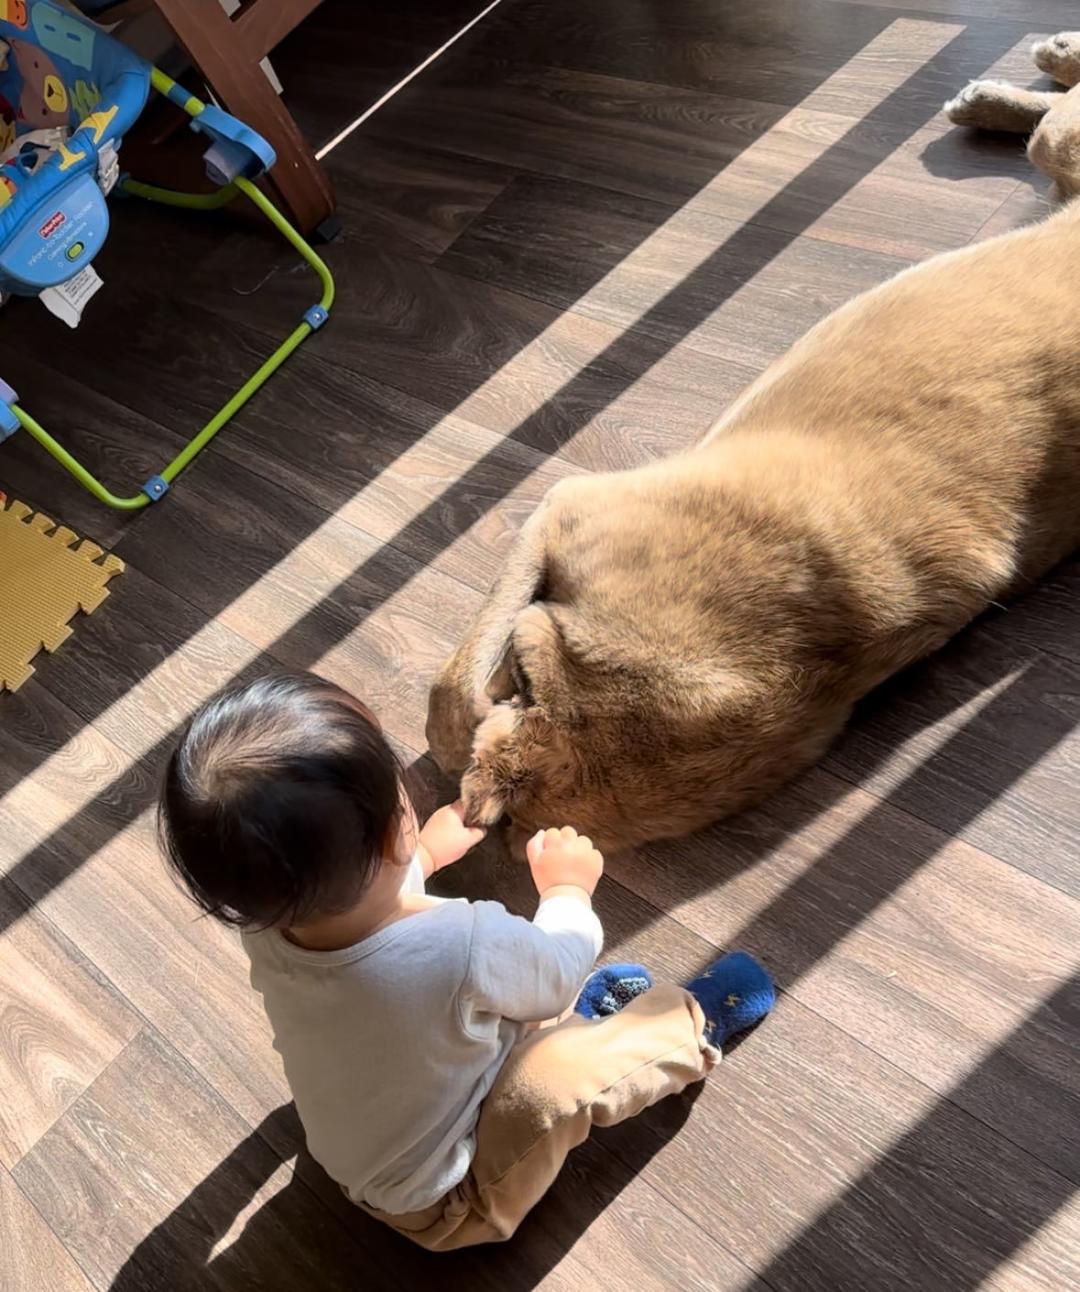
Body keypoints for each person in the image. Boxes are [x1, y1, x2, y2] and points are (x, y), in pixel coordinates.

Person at [159, 671, 775, 1251]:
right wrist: (567, 890)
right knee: (556, 1080)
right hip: (447, 1202)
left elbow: (346, 911)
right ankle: (691, 1025)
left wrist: (424, 854)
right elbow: (558, 969)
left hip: (358, 1152)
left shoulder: (269, 927)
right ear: (391, 831)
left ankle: (573, 1026)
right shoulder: (463, 944)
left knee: (480, 1014)